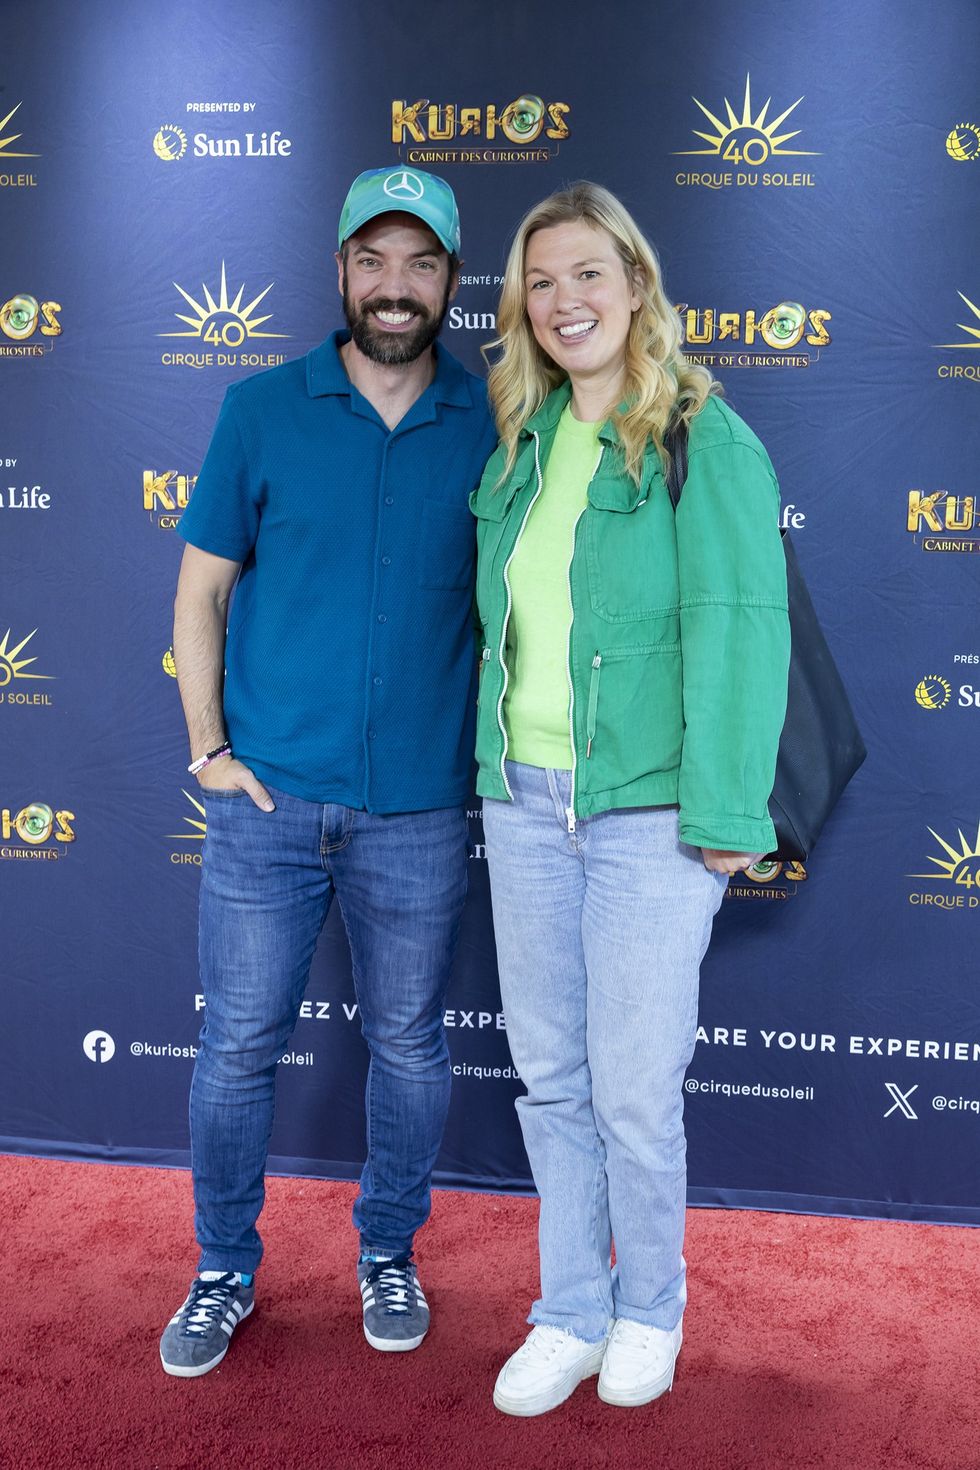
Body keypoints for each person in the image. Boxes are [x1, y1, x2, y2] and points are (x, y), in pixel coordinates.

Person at [159, 167, 496, 1377]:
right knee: (237, 1048)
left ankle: (388, 1252)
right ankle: (220, 1268)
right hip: (268, 804)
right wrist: (208, 748)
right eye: (373, 261)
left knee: (407, 1044)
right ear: (340, 272)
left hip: (419, 809)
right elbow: (201, 593)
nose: (394, 287)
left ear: (450, 281)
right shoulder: (259, 408)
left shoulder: (495, 421)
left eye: (420, 263)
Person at [471, 182, 790, 1416]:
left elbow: (741, 630)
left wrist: (725, 819)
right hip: (522, 802)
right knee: (551, 1082)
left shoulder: (701, 433)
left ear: (637, 284)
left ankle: (649, 1306)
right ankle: (569, 1311)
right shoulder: (524, 437)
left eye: (587, 274)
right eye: (540, 281)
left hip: (648, 816)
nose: (564, 301)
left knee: (633, 1094)